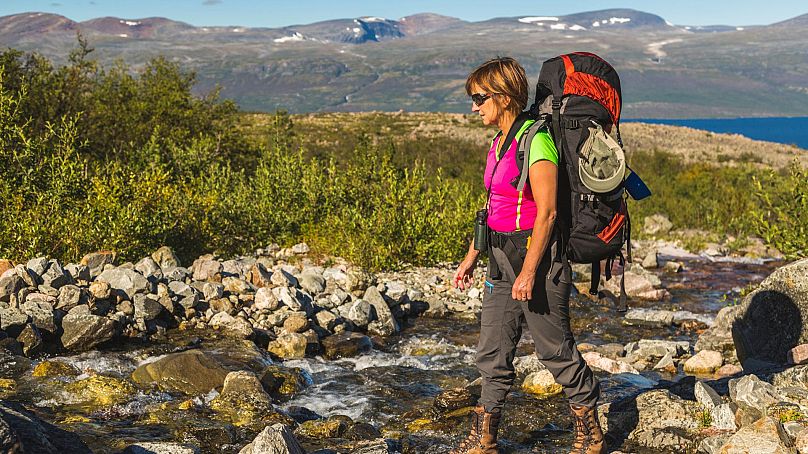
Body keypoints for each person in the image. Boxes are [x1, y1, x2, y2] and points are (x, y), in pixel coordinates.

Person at [450, 57, 605, 454]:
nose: (474, 107)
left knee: (554, 349)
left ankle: (590, 429)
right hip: (500, 259)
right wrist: (472, 255)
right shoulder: (499, 141)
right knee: (492, 349)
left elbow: (549, 212)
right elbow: (494, 205)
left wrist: (529, 273)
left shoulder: (537, 140)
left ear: (503, 97)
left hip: (537, 262)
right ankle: (484, 437)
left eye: (479, 98)